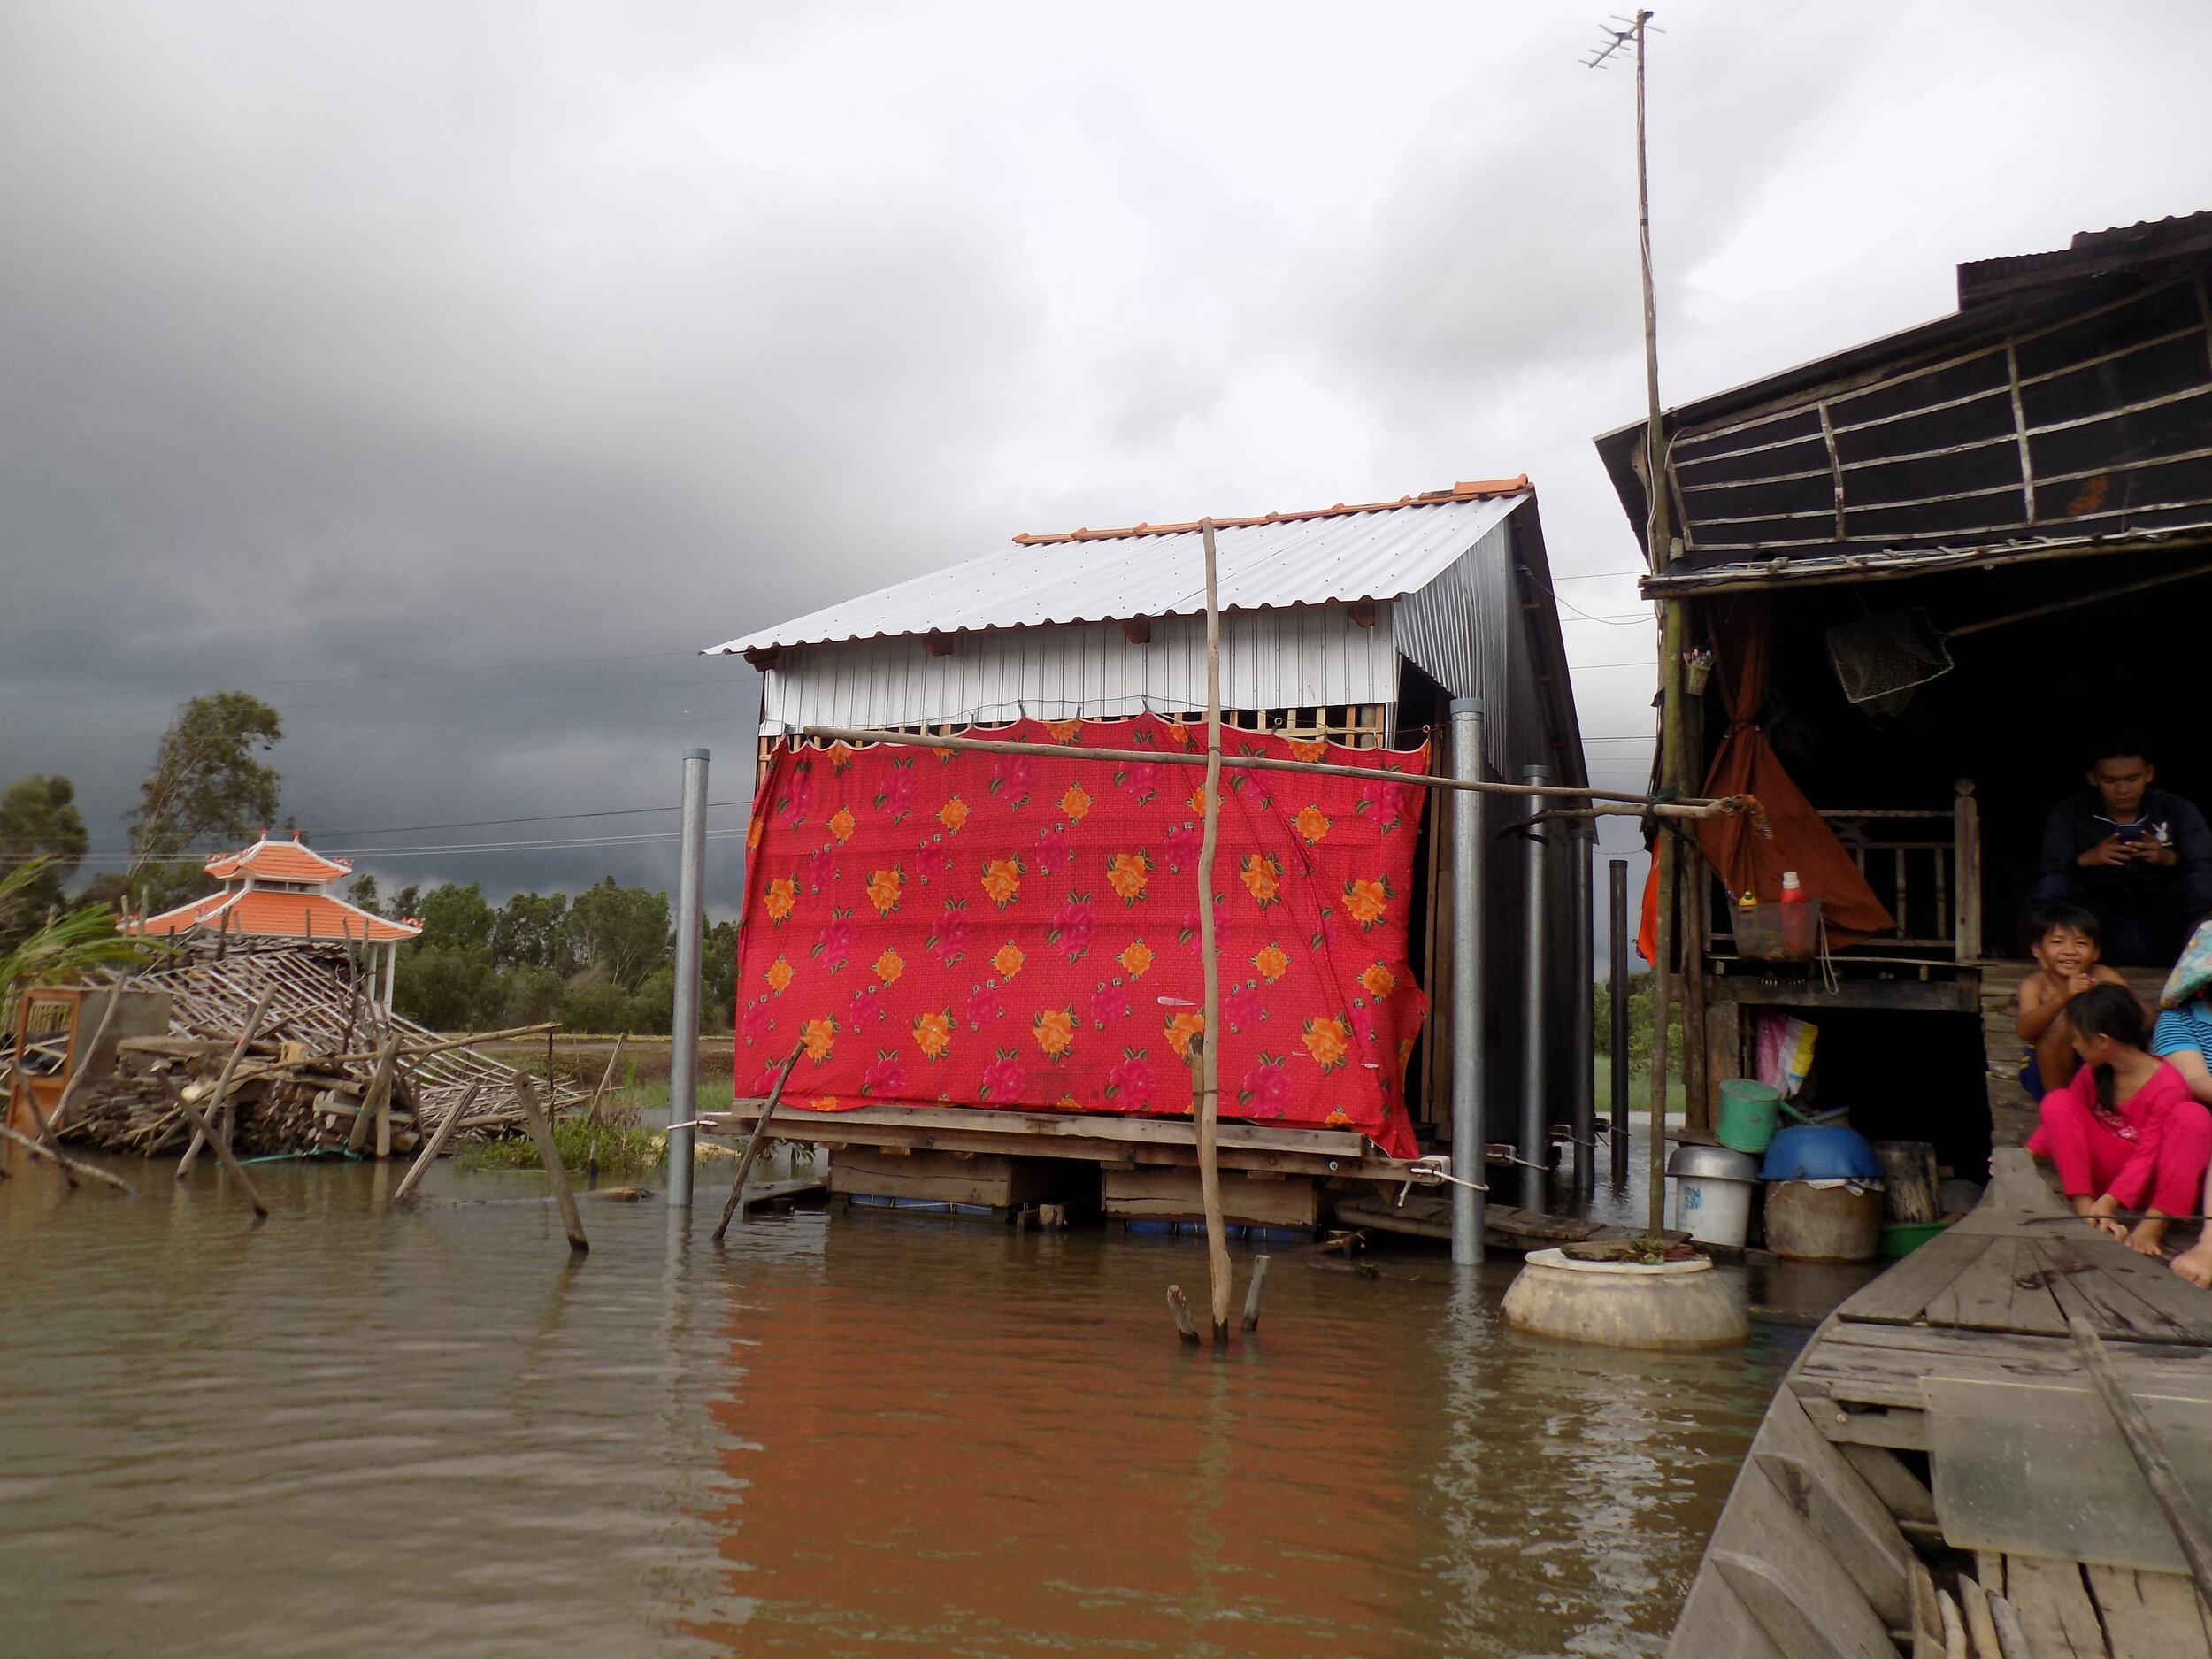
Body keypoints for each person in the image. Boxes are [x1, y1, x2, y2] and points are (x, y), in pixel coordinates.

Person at [2026, 983, 2212, 1257]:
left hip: (2147, 1181)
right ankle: (2086, 1211)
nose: (2075, 1046)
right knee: (2058, 1101)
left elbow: (2148, 1156)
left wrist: (2112, 1201)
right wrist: (2024, 1155)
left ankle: (2153, 1226)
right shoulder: (2095, 1071)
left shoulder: (2168, 1085)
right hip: (2105, 1172)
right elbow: (2060, 1118)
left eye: (2077, 1038)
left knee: (2194, 1117)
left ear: (2103, 1041)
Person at [2033, 739, 2212, 966]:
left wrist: (2169, 859)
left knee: (2203, 884)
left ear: (2149, 774)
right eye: (2110, 780)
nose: (2122, 790)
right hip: (2097, 926)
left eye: (2132, 779)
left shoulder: (2175, 808)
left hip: (2164, 923)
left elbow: (2204, 868)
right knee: (2052, 886)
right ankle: (2051, 972)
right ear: (2093, 778)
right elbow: (2050, 871)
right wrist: (2087, 860)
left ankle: (2201, 969)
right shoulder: (2071, 812)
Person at [2015, 904, 2132, 1098]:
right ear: (2037, 950)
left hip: (2098, 1063)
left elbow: (2141, 1017)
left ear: (2095, 953)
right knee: (2058, 1024)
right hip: (2046, 1068)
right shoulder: (2034, 984)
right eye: (2058, 942)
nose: (2070, 951)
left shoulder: (2102, 974)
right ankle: (2061, 1109)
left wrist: (2104, 997)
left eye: (2081, 943)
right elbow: (2024, 1030)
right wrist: (2063, 998)